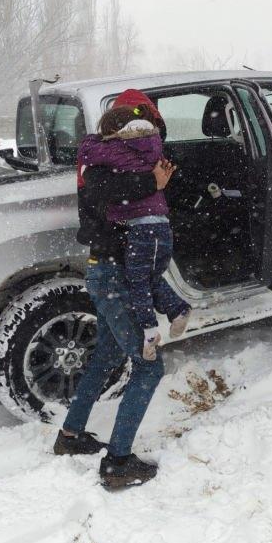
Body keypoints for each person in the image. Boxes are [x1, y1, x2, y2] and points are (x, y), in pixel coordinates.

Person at [53, 89, 177, 488]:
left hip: (107, 273)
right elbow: (103, 191)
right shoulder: (103, 166)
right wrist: (150, 181)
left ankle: (70, 435)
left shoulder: (111, 162)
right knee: (149, 367)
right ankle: (118, 462)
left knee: (107, 354)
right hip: (113, 276)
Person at [81, 103, 191, 359]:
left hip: (141, 230)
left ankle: (151, 331)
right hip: (159, 227)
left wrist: (92, 141)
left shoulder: (115, 151)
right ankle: (177, 309)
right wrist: (153, 181)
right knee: (147, 277)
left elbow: (89, 155)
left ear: (114, 132)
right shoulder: (153, 148)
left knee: (138, 281)